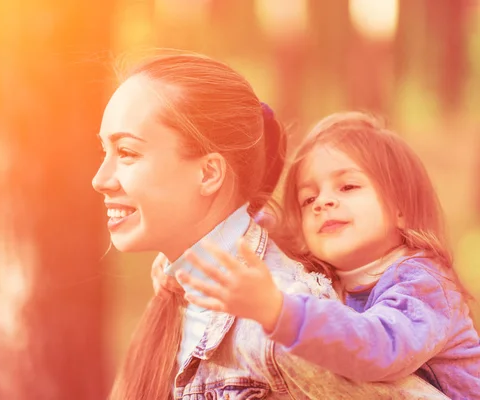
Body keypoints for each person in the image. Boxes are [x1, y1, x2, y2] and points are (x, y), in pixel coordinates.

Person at [93, 53, 449, 399]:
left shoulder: (280, 321)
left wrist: (276, 312)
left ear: (209, 173)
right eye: (103, 152)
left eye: (127, 152)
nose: (99, 179)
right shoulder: (182, 288)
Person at [173, 112, 480, 399]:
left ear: (400, 208)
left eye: (347, 186)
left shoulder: (423, 282)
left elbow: (379, 347)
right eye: (309, 199)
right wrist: (195, 248)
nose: (323, 203)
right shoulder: (324, 276)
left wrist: (280, 312)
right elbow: (265, 233)